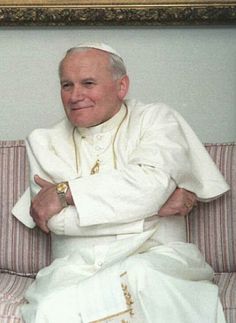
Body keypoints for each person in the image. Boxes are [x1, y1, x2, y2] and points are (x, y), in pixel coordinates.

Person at [12, 42, 229, 323]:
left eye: (88, 83)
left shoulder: (156, 120)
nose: (75, 96)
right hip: (75, 268)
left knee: (144, 280)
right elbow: (57, 223)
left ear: (121, 86)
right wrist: (152, 210)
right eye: (67, 85)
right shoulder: (43, 141)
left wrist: (66, 192)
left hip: (158, 258)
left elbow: (149, 186)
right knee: (52, 308)